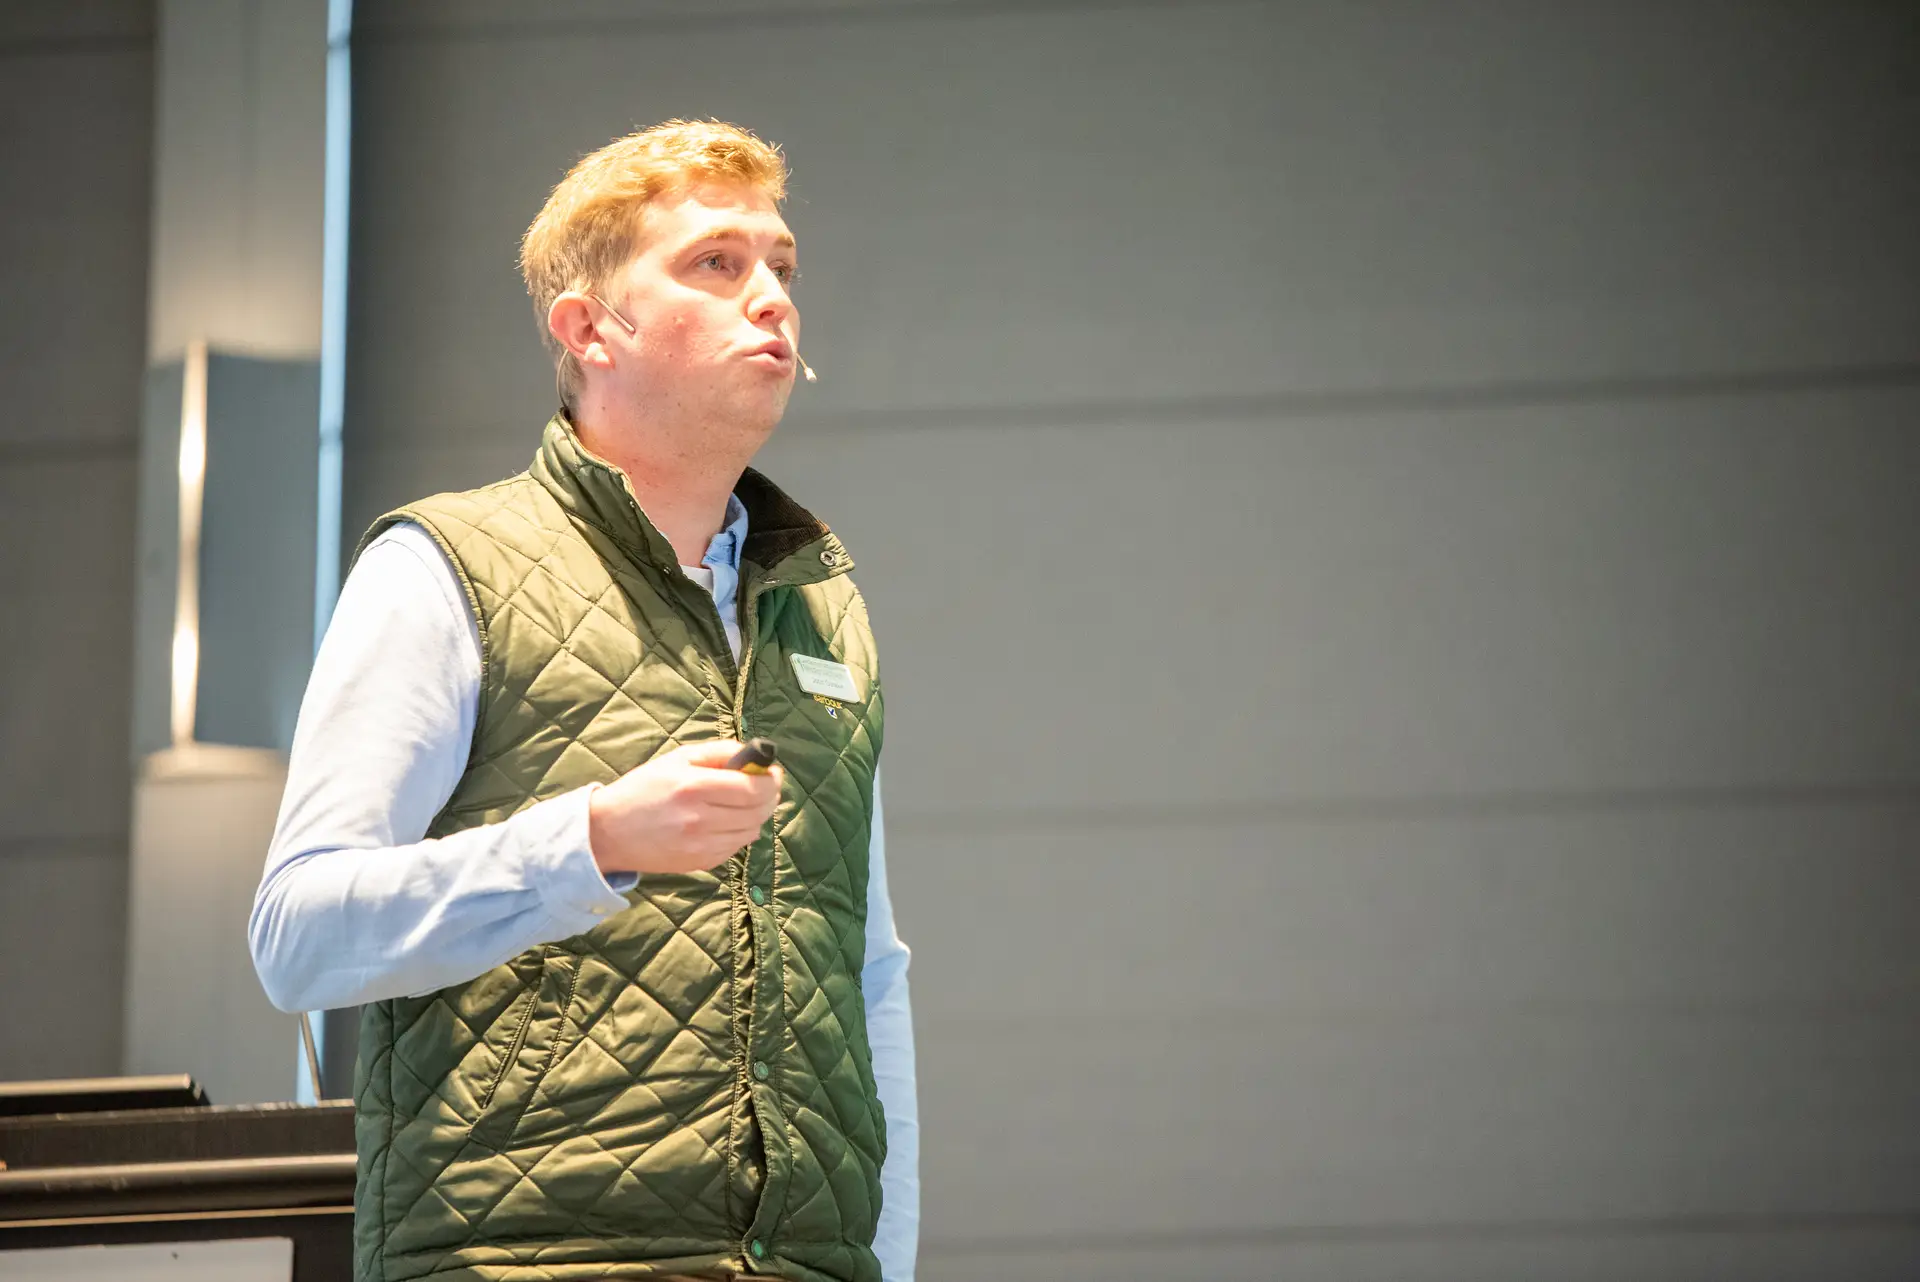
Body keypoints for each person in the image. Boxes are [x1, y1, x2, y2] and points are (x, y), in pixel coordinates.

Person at [249, 119, 917, 1282]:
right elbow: (299, 938)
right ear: (590, 327)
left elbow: (866, 979)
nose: (772, 297)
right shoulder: (444, 568)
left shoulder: (823, 612)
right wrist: (590, 840)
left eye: (781, 265)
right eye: (717, 263)